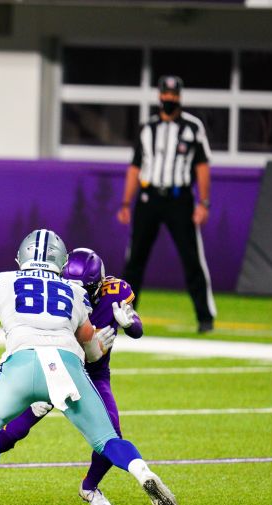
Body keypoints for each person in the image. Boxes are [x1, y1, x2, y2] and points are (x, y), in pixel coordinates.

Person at [0, 229, 178, 505]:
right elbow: (93, 351)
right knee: (107, 438)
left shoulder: (4, 280)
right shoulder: (74, 293)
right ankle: (142, 472)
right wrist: (110, 337)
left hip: (21, 365)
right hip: (67, 369)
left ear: (21, 256)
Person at [0, 247, 143, 505]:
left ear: (99, 284)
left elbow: (136, 330)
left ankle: (90, 487)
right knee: (11, 432)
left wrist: (130, 323)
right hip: (56, 367)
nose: (80, 291)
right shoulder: (62, 289)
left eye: (87, 288)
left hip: (92, 374)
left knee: (111, 435)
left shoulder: (114, 291)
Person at [117, 74, 217, 334]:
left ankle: (205, 318)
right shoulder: (147, 128)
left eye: (174, 94)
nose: (169, 98)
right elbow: (135, 167)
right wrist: (126, 202)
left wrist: (203, 203)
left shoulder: (193, 128)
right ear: (160, 95)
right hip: (149, 198)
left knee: (192, 259)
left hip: (179, 199)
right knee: (135, 260)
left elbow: (202, 166)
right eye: (166, 94)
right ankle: (126, 314)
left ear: (179, 96)